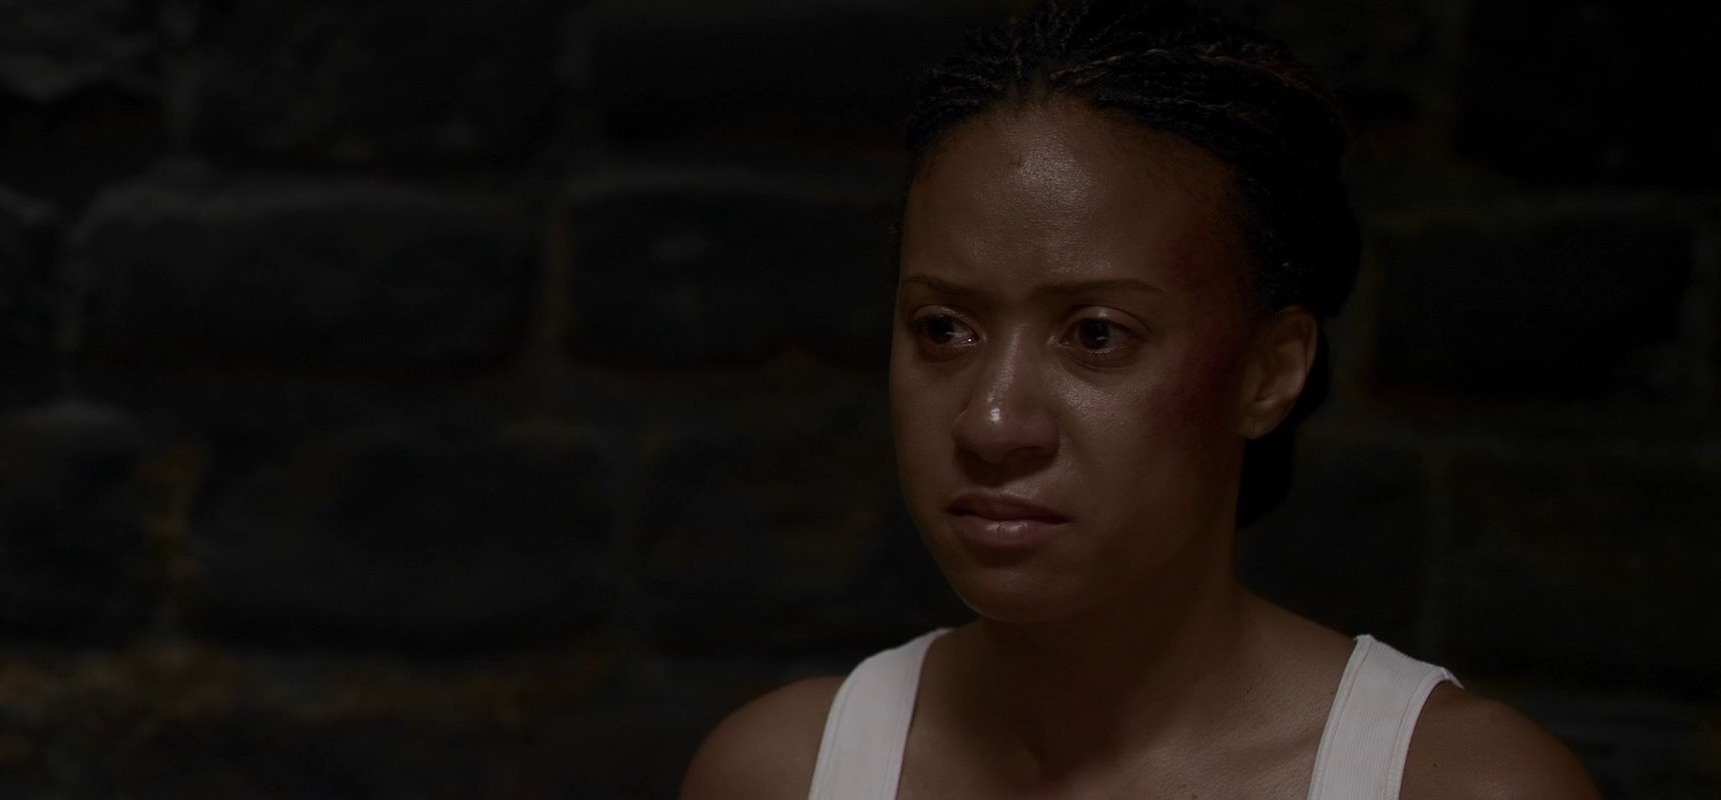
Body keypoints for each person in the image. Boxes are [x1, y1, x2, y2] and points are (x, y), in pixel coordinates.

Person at [679, 1, 1601, 797]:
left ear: (1270, 372)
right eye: (945, 328)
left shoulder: (1453, 783)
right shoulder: (783, 775)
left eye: (1096, 335)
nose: (992, 423)